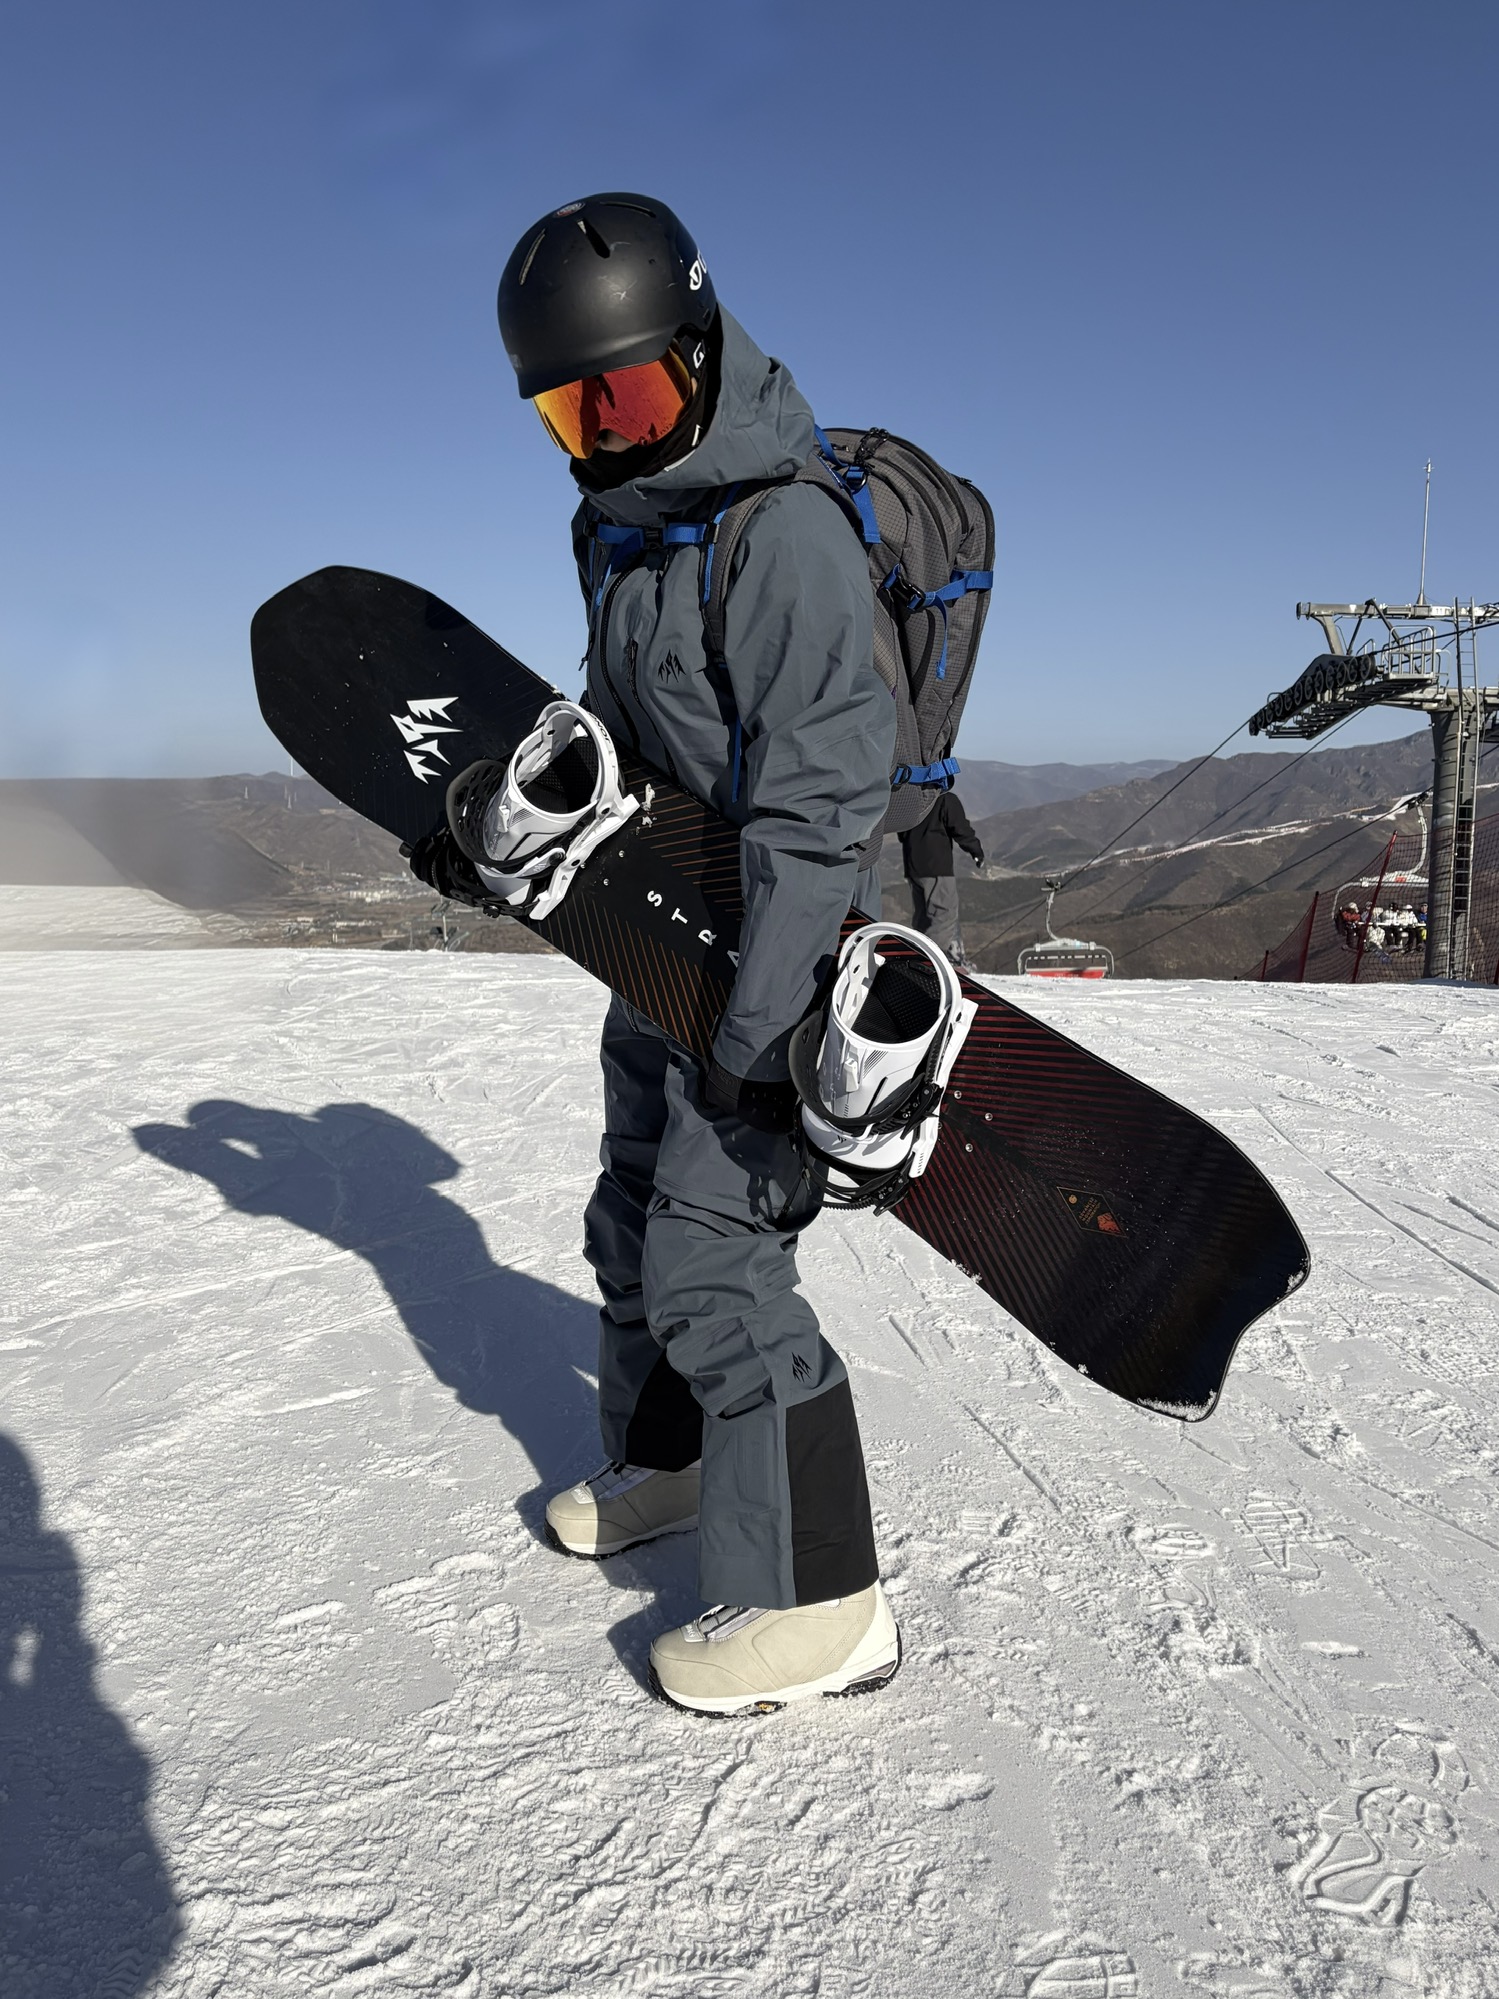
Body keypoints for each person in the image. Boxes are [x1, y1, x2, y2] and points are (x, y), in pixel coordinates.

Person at [491, 193, 900, 1715]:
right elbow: (621, 746)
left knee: (714, 1255)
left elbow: (821, 805)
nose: (610, 436)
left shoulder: (779, 534)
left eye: (635, 396)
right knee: (629, 1210)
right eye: (573, 412)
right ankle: (666, 1464)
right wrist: (505, 835)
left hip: (783, 951)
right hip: (664, 933)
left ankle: (821, 1601)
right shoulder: (618, 531)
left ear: (705, 351)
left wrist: (759, 1032)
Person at [899, 790, 985, 964]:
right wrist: (976, 851)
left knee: (923, 919)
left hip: (913, 866)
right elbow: (960, 829)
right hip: (937, 867)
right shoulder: (944, 798)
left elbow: (901, 831)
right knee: (944, 917)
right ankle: (926, 962)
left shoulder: (910, 798)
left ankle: (915, 957)